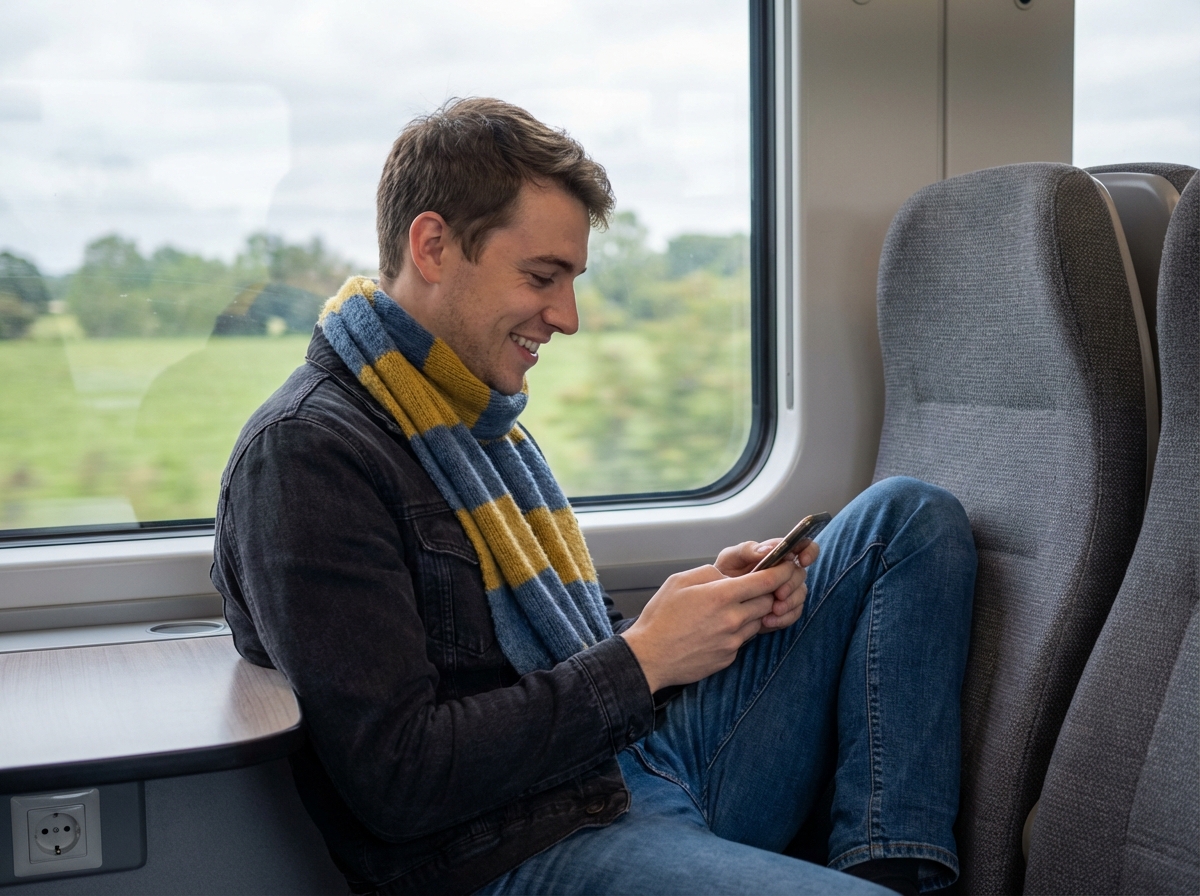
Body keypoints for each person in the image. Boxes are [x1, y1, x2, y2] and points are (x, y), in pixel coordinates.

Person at [211, 97, 976, 896]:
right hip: (511, 845)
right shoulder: (309, 455)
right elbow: (398, 780)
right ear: (433, 245)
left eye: (570, 281)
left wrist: (693, 619)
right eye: (542, 277)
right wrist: (645, 658)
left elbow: (571, 653)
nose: (567, 318)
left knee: (908, 519)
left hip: (631, 766)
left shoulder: (474, 420)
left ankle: (893, 870)